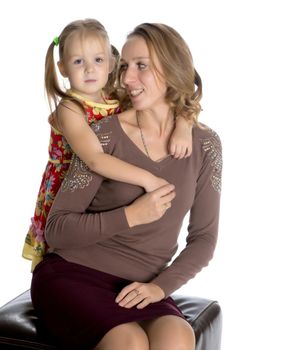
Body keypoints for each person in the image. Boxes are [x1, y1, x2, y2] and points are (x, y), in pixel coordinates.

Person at [30, 22, 222, 350]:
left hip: (141, 285)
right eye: (123, 67)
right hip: (73, 273)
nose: (126, 78)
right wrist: (131, 215)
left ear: (172, 68)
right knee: (128, 341)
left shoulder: (205, 145)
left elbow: (203, 239)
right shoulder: (102, 135)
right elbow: (57, 230)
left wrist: (160, 288)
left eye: (141, 66)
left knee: (177, 337)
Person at [22, 19, 193, 271]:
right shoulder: (71, 108)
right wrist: (147, 179)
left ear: (111, 64)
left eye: (98, 60)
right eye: (78, 61)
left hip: (104, 187)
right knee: (68, 248)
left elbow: (177, 98)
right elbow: (94, 159)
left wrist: (184, 126)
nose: (89, 69)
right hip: (71, 187)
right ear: (63, 68)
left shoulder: (116, 96)